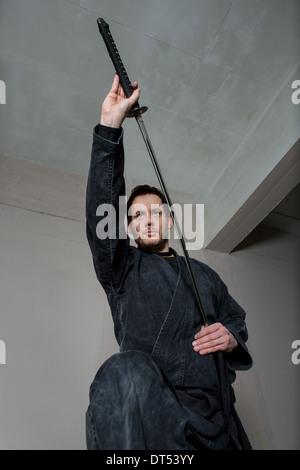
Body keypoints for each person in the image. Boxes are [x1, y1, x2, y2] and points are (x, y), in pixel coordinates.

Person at [85, 74, 253, 450]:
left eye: (156, 212)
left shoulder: (206, 276)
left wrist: (230, 337)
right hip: (157, 415)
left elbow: (236, 319)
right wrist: (110, 128)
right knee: (124, 370)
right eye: (136, 215)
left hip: (221, 424)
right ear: (124, 227)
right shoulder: (122, 269)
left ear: (170, 221)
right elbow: (101, 217)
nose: (147, 219)